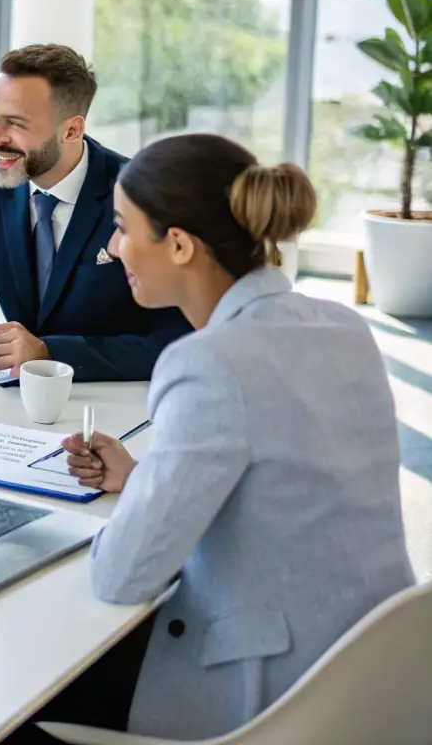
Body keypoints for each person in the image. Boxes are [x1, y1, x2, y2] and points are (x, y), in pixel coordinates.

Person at [49, 133, 414, 740]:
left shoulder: (208, 362)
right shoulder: (344, 326)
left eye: (122, 229)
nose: (113, 250)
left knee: (30, 706)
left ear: (181, 245)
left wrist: (141, 500)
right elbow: (290, 487)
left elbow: (120, 576)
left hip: (271, 704)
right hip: (376, 678)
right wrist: (145, 476)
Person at [0, 43, 189, 381]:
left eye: (15, 124)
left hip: (118, 408)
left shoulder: (139, 194)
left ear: (72, 130)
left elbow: (176, 342)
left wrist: (49, 352)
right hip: (15, 407)